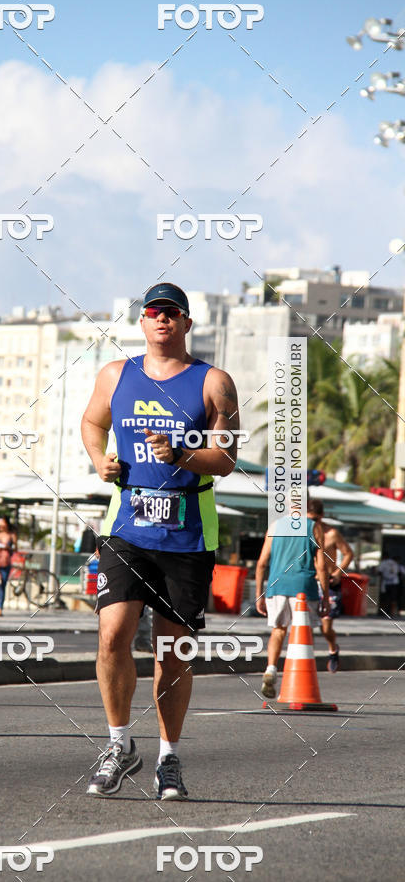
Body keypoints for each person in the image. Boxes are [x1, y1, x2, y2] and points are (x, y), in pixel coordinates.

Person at [81, 282, 239, 800]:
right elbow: (91, 422)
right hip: (126, 529)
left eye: (172, 313)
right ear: (142, 323)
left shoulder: (214, 382)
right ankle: (119, 744)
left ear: (187, 323)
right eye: (153, 312)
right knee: (112, 636)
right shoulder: (115, 375)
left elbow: (227, 459)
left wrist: (181, 456)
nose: (162, 320)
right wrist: (98, 458)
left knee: (172, 652)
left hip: (188, 534)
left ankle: (169, 757)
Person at [255, 498, 330, 697]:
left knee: (278, 630)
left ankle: (271, 668)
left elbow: (261, 563)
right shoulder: (314, 527)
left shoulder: (275, 525)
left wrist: (259, 595)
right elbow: (321, 565)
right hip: (304, 588)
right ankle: (293, 681)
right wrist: (325, 596)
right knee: (302, 635)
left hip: (276, 585)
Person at [307, 499, 353, 671]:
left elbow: (348, 553)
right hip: (311, 581)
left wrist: (337, 573)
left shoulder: (331, 534)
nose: (313, 523)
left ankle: (333, 649)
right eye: (310, 519)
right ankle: (306, 658)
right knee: (307, 625)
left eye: (316, 520)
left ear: (322, 517)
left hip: (330, 582)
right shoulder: (304, 532)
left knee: (326, 628)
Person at [377, 553, 402, 617]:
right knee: (394, 598)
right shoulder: (395, 563)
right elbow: (399, 572)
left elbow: (379, 572)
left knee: (384, 598)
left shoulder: (384, 563)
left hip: (386, 582)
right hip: (395, 582)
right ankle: (392, 612)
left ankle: (383, 611)